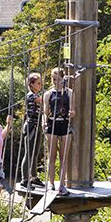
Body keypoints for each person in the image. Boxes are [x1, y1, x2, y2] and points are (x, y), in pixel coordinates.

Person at [43, 67, 74, 196]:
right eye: (53, 79)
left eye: (58, 79)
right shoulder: (48, 94)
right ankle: (51, 183)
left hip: (65, 124)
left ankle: (62, 184)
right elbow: (45, 112)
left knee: (64, 157)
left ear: (63, 79)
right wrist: (44, 123)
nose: (56, 82)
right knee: (52, 156)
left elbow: (73, 109)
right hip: (52, 125)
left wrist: (72, 114)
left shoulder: (69, 92)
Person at [20, 72, 44, 188]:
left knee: (34, 154)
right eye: (38, 83)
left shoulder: (35, 95)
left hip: (37, 126)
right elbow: (42, 100)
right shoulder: (31, 96)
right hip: (31, 127)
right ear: (31, 84)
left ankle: (33, 177)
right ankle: (25, 179)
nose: (40, 85)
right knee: (29, 153)